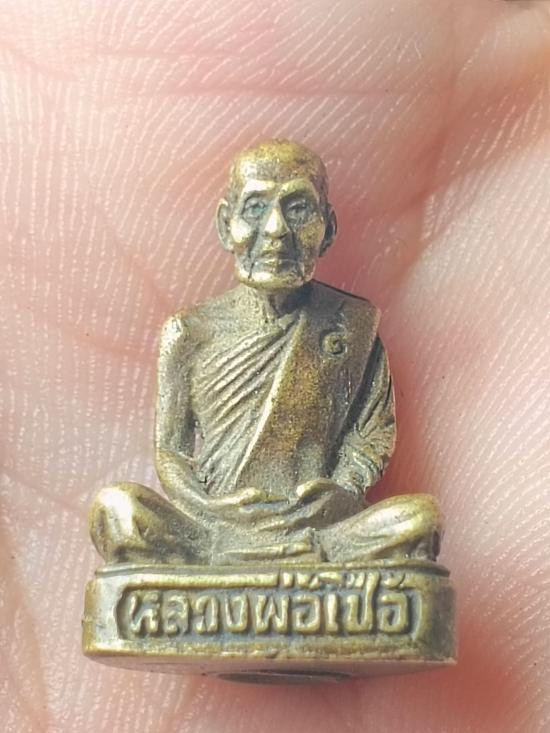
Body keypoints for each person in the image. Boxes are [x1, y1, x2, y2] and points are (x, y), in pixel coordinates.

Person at [89, 140, 440, 565]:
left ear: (327, 228)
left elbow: (371, 436)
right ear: (226, 225)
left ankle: (260, 566)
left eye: (298, 209)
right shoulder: (188, 333)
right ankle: (251, 562)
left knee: (420, 520)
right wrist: (210, 509)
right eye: (255, 208)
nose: (276, 229)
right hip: (214, 526)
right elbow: (172, 453)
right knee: (117, 510)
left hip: (314, 526)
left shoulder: (351, 325)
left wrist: (343, 492)